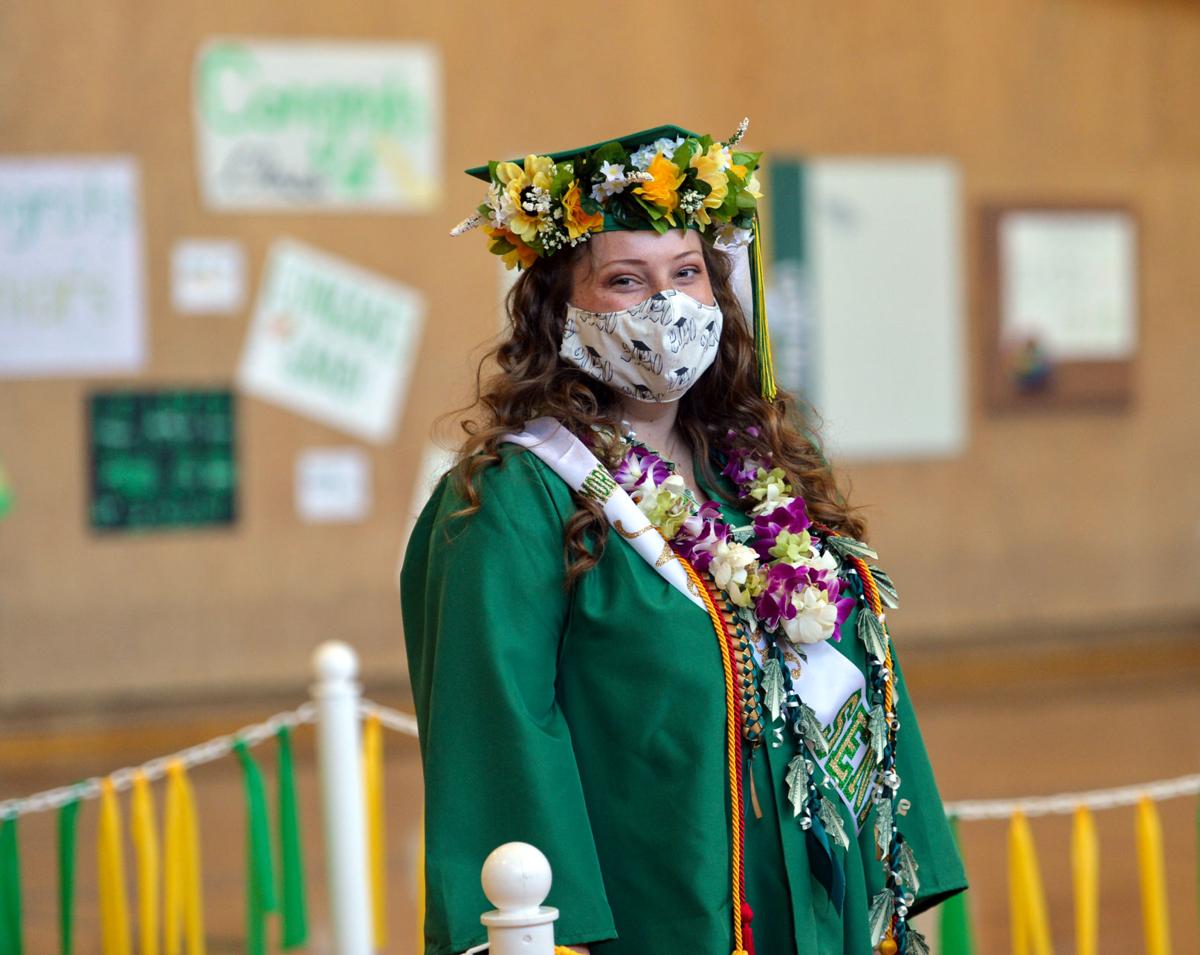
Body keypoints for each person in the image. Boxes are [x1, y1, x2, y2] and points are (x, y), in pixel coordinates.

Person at [401, 121, 966, 955]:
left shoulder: (759, 472)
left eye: (688, 273)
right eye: (626, 280)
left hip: (813, 905)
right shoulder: (512, 500)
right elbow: (500, 734)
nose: (666, 305)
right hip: (658, 912)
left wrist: (892, 860)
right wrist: (543, 936)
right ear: (560, 307)